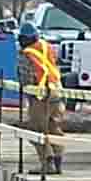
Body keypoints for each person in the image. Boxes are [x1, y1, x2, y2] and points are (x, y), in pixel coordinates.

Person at [22, 29, 66, 172]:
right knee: (54, 127)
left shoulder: (28, 53)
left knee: (36, 129)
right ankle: (58, 161)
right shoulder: (47, 47)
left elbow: (26, 77)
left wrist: (27, 90)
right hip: (57, 90)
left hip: (41, 94)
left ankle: (47, 163)